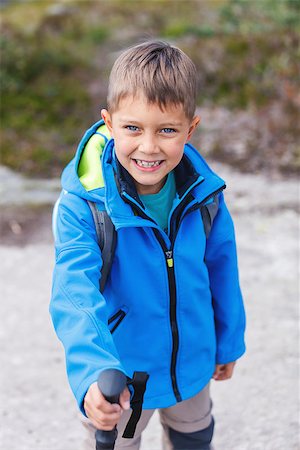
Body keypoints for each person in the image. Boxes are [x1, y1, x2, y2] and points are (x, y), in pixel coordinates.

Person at [50, 40, 246, 450]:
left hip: (191, 361)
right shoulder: (84, 206)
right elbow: (74, 294)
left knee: (194, 437)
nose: (149, 146)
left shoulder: (204, 195)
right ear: (109, 123)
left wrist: (228, 339)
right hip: (122, 372)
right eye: (133, 128)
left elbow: (222, 268)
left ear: (190, 129)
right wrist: (93, 372)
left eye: (167, 130)